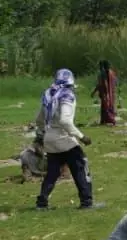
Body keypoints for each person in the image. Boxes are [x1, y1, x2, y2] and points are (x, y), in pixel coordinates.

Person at [33, 69, 98, 210]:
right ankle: (87, 202)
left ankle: (41, 203)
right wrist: (81, 136)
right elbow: (65, 121)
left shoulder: (48, 94)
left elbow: (39, 119)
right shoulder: (67, 95)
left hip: (49, 138)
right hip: (64, 139)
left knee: (52, 173)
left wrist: (42, 134)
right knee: (80, 167)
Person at [90, 59, 118, 126]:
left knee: (106, 107)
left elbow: (101, 84)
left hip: (105, 93)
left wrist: (94, 92)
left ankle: (111, 120)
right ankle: (104, 121)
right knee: (109, 106)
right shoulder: (112, 73)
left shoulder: (102, 73)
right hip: (112, 93)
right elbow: (115, 82)